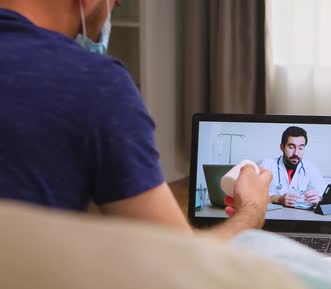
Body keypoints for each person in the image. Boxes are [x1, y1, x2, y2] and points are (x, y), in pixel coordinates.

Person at [0, 0, 270, 239]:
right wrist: (253, 208)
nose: (107, 19)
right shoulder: (93, 83)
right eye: (114, 5)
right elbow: (178, 263)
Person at [259, 126, 327, 209]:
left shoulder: (310, 167)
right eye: (291, 147)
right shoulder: (266, 165)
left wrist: (319, 198)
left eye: (301, 148)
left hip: (301, 217)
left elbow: (323, 191)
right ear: (282, 147)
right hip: (272, 217)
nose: (296, 153)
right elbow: (252, 194)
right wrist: (278, 199)